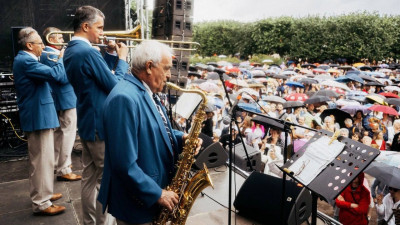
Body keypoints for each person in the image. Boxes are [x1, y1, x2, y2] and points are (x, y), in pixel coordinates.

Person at [98, 40, 201, 224]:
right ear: (149, 67)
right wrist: (158, 193)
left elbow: (156, 129)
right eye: (167, 68)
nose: (169, 76)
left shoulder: (145, 91)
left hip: (146, 198)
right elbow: (124, 164)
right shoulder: (124, 98)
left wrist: (183, 138)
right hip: (137, 204)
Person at [63, 5, 129, 225]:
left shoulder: (72, 49)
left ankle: (89, 222)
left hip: (88, 120)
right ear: (85, 26)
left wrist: (110, 55)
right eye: (99, 28)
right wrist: (123, 60)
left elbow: (96, 76)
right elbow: (114, 85)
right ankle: (102, 223)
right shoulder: (88, 51)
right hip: (100, 123)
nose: (102, 32)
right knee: (104, 180)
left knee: (89, 178)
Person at [13, 27, 68, 215]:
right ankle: (41, 203)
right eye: (39, 43)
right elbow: (57, 76)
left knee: (45, 160)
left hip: (41, 115)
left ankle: (45, 193)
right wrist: (61, 58)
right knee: (41, 161)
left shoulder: (27, 59)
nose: (43, 47)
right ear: (29, 45)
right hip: (38, 117)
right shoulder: (26, 60)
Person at [41, 27, 81, 182]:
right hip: (65, 99)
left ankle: (60, 164)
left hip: (62, 98)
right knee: (67, 135)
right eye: (58, 38)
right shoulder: (50, 54)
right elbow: (62, 77)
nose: (62, 41)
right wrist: (64, 57)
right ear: (49, 39)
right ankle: (63, 168)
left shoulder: (50, 53)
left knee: (60, 135)